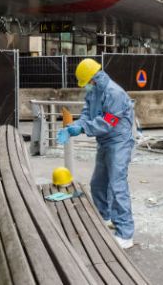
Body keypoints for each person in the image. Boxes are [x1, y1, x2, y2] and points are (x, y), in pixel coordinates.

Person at [56, 58, 136, 249]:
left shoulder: (114, 93)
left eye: (87, 83)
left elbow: (108, 121)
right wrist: (74, 126)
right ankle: (105, 217)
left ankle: (125, 234)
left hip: (119, 142)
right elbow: (87, 114)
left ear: (94, 78)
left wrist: (82, 129)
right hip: (105, 141)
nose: (86, 87)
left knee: (117, 186)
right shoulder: (94, 91)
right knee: (98, 183)